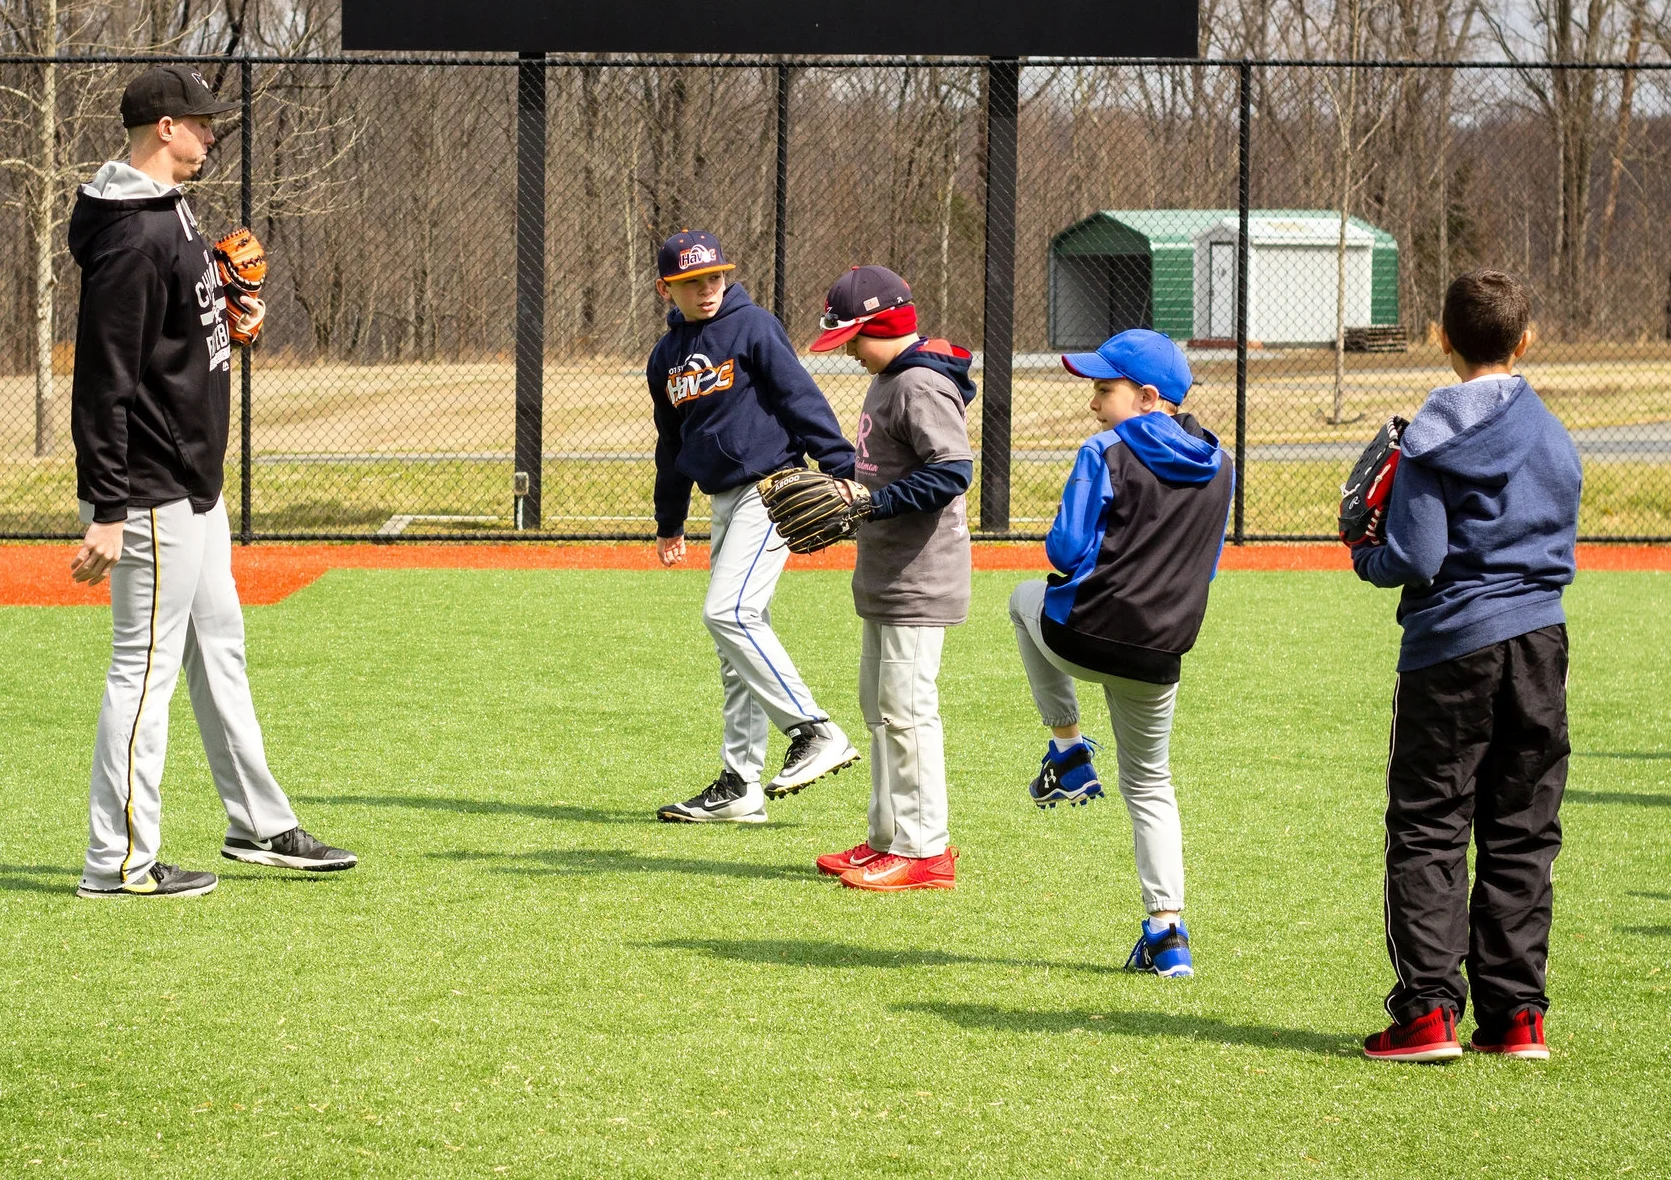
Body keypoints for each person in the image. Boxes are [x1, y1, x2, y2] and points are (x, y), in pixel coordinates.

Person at [69, 65, 356, 899]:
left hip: (193, 480)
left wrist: (229, 320)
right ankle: (117, 862)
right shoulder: (131, 234)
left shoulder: (168, 209)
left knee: (218, 650)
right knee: (143, 670)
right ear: (163, 127)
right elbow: (105, 380)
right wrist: (107, 507)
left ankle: (258, 825)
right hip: (153, 488)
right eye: (201, 124)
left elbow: (171, 340)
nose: (212, 136)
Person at [1354, 270, 1581, 1062]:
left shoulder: (1429, 434)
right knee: (1522, 826)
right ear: (1526, 342)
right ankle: (1516, 1017)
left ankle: (1426, 1014)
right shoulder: (1553, 433)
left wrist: (1365, 556)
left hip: (1450, 644)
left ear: (1438, 337)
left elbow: (1415, 554)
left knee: (1428, 824)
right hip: (1539, 643)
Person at [1008, 329, 1233, 976]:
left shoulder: (1103, 448)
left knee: (1022, 599)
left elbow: (1061, 552)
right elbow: (1206, 569)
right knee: (1150, 785)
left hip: (1079, 635)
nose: (1093, 404)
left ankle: (1068, 749)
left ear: (1146, 396)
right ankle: (1168, 937)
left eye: (1104, 390)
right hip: (1158, 655)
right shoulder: (1222, 463)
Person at [649, 230, 860, 823]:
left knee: (727, 613)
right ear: (669, 288)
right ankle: (741, 784)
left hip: (773, 487)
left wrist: (842, 470)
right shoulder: (665, 357)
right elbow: (672, 443)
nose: (708, 289)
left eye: (715, 277)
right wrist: (670, 520)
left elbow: (801, 398)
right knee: (733, 640)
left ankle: (814, 730)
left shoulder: (753, 326)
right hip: (722, 499)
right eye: (693, 282)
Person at [802, 267, 976, 891]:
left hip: (920, 577)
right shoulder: (890, 379)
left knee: (907, 712)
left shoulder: (920, 384)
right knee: (881, 710)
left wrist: (873, 504)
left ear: (883, 325)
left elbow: (954, 470)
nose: (847, 350)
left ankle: (926, 850)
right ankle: (889, 839)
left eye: (853, 337)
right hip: (887, 572)